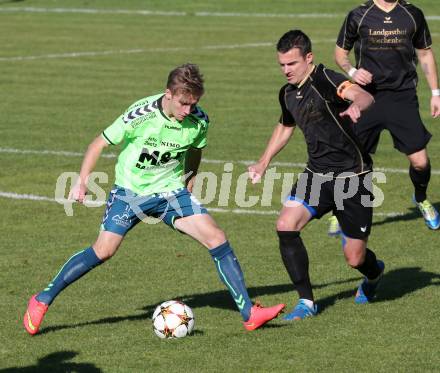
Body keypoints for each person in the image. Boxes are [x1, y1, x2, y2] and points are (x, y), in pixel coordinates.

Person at [23, 63, 284, 335]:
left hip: (171, 192)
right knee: (104, 250)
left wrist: (190, 181)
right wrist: (82, 180)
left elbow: (195, 150)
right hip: (129, 193)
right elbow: (98, 143)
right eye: (183, 104)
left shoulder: (199, 120)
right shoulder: (141, 115)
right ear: (168, 94)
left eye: (193, 104)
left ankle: (249, 314)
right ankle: (42, 299)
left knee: (216, 237)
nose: (188, 111)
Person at [248, 30, 385, 320]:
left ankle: (374, 275)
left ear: (308, 58)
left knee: (355, 258)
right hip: (317, 175)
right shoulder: (287, 93)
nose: (286, 70)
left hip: (353, 179)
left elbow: (362, 96)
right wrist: (263, 162)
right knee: (286, 225)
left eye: (292, 64)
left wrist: (355, 106)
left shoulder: (326, 80)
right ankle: (307, 302)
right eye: (282, 65)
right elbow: (285, 126)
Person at [330, 0, 440, 235]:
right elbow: (340, 54)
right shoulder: (359, 15)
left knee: (421, 162)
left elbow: (425, 53)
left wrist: (435, 93)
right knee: (350, 158)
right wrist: (352, 71)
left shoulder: (412, 14)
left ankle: (421, 198)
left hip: (403, 97)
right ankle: (340, 210)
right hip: (367, 97)